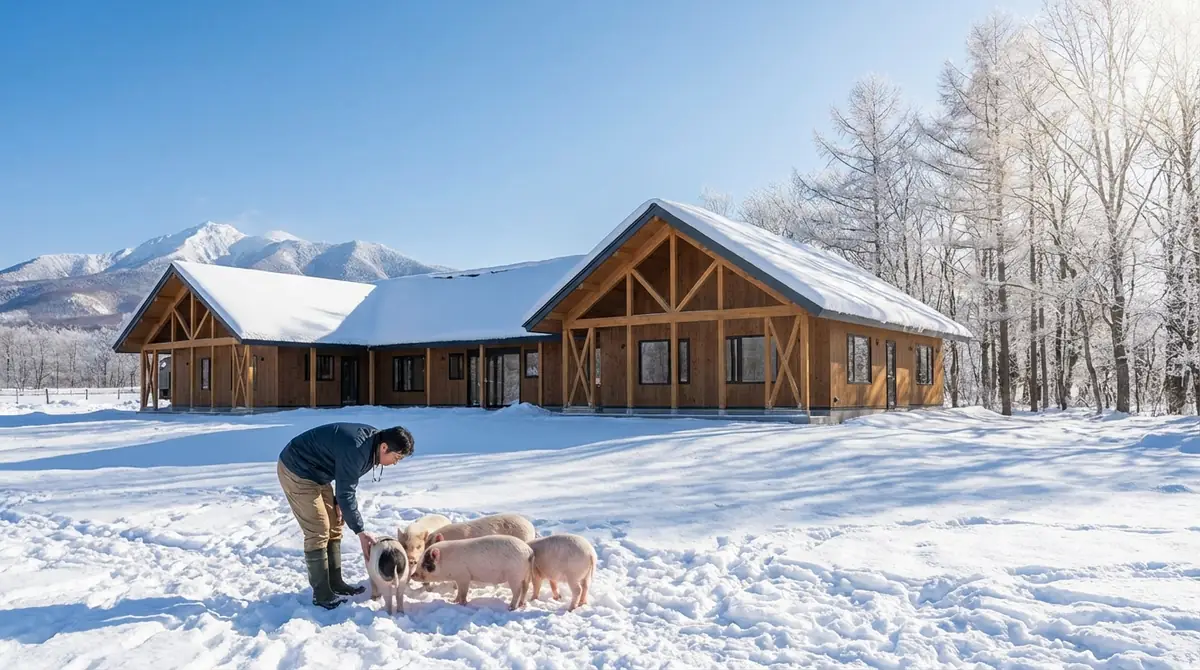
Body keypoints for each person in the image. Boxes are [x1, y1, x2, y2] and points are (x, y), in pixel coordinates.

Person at [277, 422, 414, 609]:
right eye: (396, 457)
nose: (396, 462)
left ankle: (335, 583)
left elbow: (344, 479)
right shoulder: (358, 448)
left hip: (318, 473)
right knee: (318, 529)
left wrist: (338, 501)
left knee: (335, 523)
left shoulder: (371, 446)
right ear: (384, 447)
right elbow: (346, 490)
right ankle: (322, 595)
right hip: (297, 469)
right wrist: (360, 531)